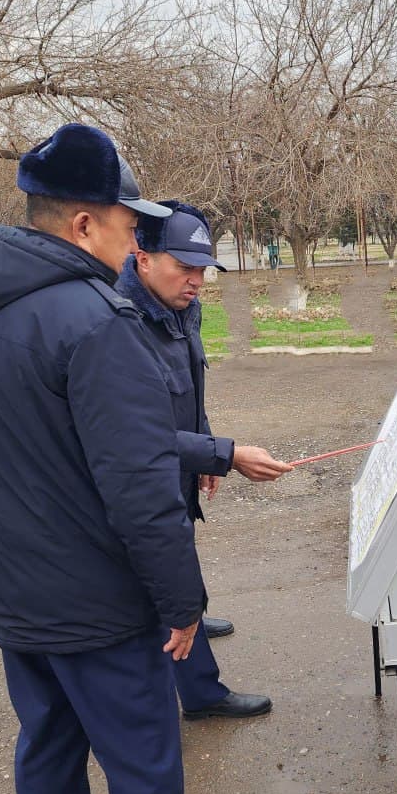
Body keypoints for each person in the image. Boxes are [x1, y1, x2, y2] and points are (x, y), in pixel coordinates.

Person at [0, 123, 244, 794]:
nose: (134, 236)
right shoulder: (98, 322)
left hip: (10, 587)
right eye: (128, 222)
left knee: (47, 747)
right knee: (144, 760)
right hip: (96, 604)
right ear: (83, 223)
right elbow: (139, 486)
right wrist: (181, 604)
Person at [117, 200, 293, 720]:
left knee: (180, 547)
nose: (195, 281)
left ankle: (188, 611)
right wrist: (228, 456)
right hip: (144, 477)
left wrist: (207, 449)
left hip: (182, 462)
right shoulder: (122, 326)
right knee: (158, 567)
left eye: (202, 269)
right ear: (142, 256)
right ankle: (200, 691)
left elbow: (186, 388)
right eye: (183, 267)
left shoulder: (176, 306)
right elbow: (138, 436)